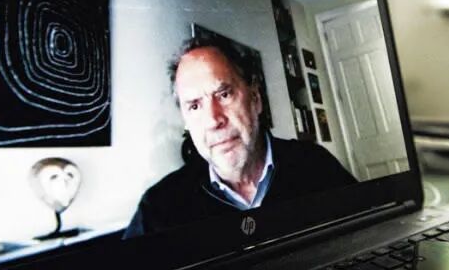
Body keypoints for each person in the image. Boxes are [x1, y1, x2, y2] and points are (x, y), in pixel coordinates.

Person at [123, 35, 357, 238]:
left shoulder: (316, 165)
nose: (213, 120)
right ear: (186, 121)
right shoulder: (158, 208)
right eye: (194, 106)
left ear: (255, 98)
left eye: (224, 94)